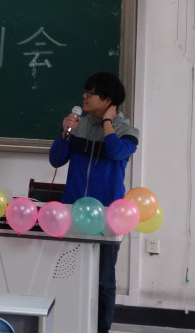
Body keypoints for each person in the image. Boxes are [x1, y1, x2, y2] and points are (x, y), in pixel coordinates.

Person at [49, 71, 139, 333]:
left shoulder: (127, 132)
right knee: (68, 274)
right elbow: (56, 160)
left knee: (103, 281)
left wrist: (108, 124)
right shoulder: (79, 125)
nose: (85, 96)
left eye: (91, 93)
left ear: (108, 100)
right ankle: (68, 324)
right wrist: (65, 133)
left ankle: (101, 329)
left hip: (107, 216)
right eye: (85, 91)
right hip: (73, 210)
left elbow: (116, 151)